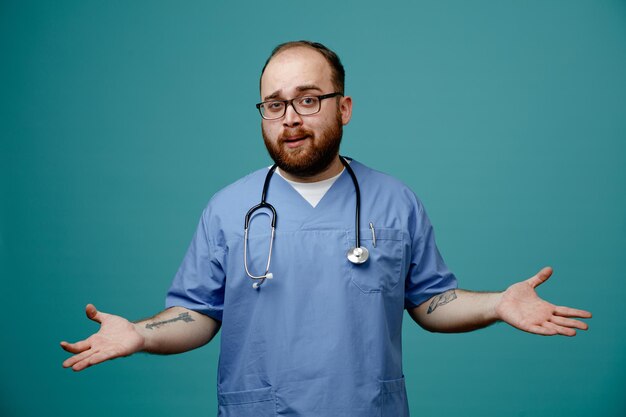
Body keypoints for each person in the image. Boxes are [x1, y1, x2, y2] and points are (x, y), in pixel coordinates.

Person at [61, 41, 592, 417]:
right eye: (274, 105)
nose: (290, 116)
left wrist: (498, 303)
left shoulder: (395, 201)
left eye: (308, 99)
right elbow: (197, 315)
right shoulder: (228, 209)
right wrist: (139, 335)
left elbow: (432, 303)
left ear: (344, 107)